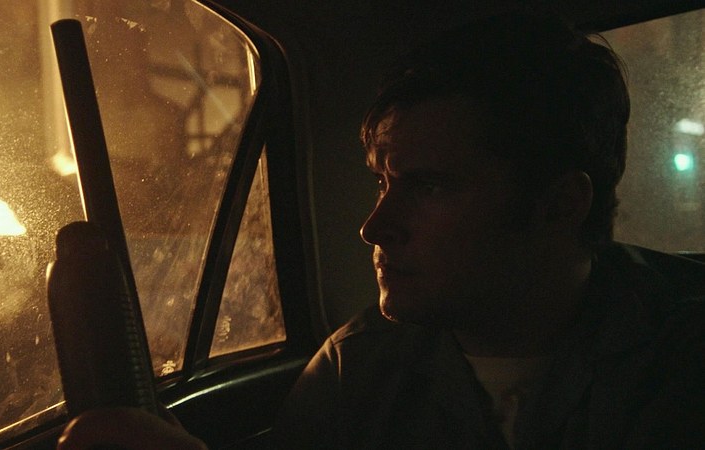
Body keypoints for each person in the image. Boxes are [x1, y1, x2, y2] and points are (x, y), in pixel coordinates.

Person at [58, 11, 705, 450]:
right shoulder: (356, 369)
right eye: (381, 181)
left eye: (428, 187)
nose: (374, 227)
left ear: (559, 205)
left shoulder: (683, 348)